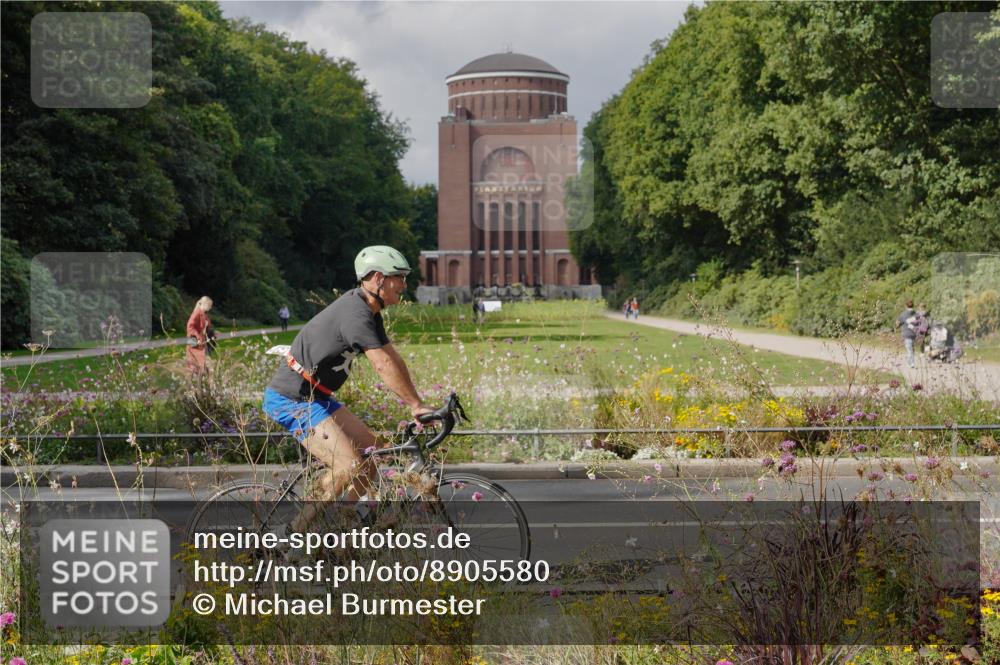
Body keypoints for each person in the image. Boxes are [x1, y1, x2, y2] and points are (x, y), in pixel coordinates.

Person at [262, 245, 433, 529]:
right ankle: (292, 532)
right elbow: (381, 365)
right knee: (349, 465)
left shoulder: (369, 310)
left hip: (318, 397)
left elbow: (392, 357)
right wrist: (415, 405)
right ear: (378, 278)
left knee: (372, 452)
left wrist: (419, 402)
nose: (404, 284)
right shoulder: (356, 314)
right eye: (399, 277)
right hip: (291, 397)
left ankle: (340, 522)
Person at [186, 296, 213, 376]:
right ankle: (195, 384)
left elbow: (206, 327)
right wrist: (197, 337)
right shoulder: (197, 313)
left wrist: (214, 333)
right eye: (209, 305)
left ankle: (203, 384)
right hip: (194, 340)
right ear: (204, 304)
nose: (210, 307)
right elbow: (190, 326)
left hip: (200, 341)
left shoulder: (203, 314)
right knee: (197, 365)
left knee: (203, 365)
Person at [896, 299, 918, 368]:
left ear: (906, 306)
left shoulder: (903, 314)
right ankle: (910, 362)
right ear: (913, 305)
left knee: (909, 349)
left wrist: (898, 326)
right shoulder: (916, 314)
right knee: (912, 349)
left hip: (906, 333)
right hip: (914, 333)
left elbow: (898, 323)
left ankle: (911, 363)